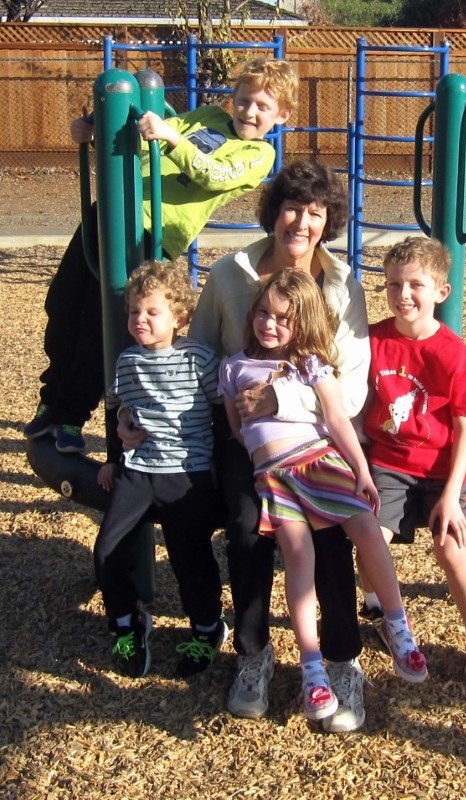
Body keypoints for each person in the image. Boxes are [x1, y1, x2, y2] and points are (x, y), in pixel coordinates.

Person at [23, 58, 298, 454]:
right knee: (63, 303)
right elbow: (147, 137)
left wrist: (172, 138)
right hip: (112, 210)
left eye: (263, 106)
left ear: (282, 115)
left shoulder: (259, 154)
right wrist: (94, 131)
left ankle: (71, 415)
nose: (249, 111)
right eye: (244, 100)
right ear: (233, 98)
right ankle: (51, 399)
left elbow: (213, 174)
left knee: (101, 323)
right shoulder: (207, 116)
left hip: (151, 233)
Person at [186, 160, 372, 732]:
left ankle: (341, 659)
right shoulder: (230, 276)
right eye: (293, 208)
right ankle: (254, 653)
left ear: (328, 221)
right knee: (247, 528)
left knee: (330, 531)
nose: (302, 222)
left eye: (316, 213)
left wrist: (280, 400)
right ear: (274, 213)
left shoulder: (342, 285)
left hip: (314, 439)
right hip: (247, 441)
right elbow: (201, 357)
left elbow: (352, 388)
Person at [218, 269, 428, 721]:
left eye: (283, 319)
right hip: (274, 475)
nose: (269, 324)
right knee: (298, 555)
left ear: (304, 324)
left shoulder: (310, 364)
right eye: (263, 313)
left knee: (366, 527)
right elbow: (238, 431)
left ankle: (398, 625)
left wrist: (361, 471)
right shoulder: (233, 367)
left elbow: (336, 419)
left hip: (319, 461)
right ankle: (312, 667)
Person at [359, 236, 466, 700]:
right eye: (393, 284)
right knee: (369, 537)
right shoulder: (374, 340)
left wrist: (450, 496)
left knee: (449, 546)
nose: (403, 295)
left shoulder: (452, 354)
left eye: (415, 285)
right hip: (389, 461)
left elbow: (465, 430)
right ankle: (378, 609)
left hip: (442, 468)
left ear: (441, 291)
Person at [93, 261, 225, 679]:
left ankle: (207, 628)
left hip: (186, 471)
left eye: (152, 312)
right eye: (134, 311)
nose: (140, 319)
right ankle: (127, 622)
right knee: (107, 549)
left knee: (189, 556)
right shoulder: (127, 361)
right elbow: (119, 410)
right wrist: (113, 456)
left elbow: (220, 412)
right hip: (139, 468)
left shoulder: (197, 359)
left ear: (179, 318)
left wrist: (220, 470)